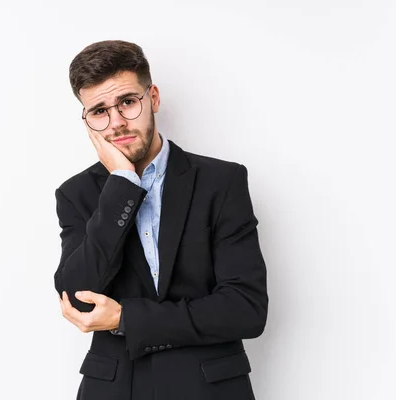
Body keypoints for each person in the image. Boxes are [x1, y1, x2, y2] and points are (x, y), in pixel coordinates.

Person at [54, 40, 268, 400]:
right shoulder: (77, 194)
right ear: (87, 120)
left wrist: (127, 319)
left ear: (152, 98)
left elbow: (246, 309)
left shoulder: (221, 182)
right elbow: (78, 301)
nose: (117, 123)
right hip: (116, 389)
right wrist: (121, 184)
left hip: (210, 387)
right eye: (99, 111)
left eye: (127, 102)